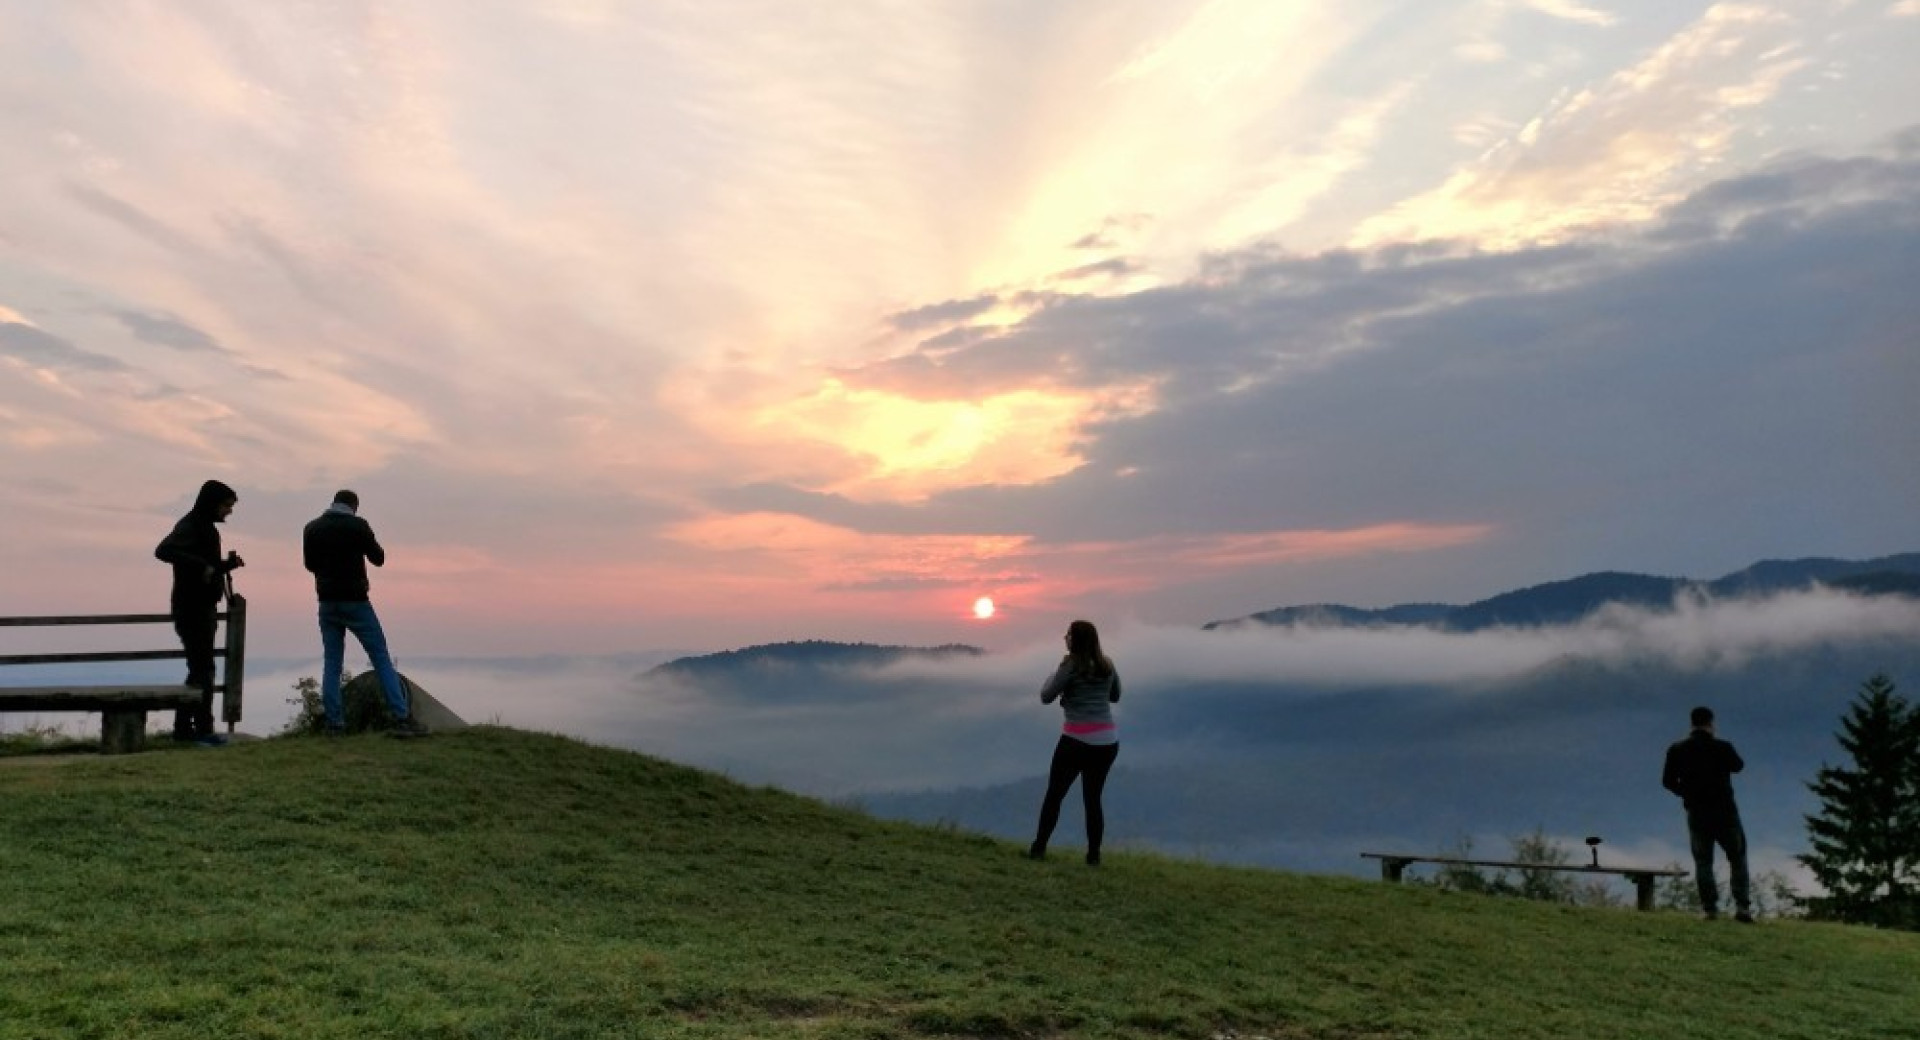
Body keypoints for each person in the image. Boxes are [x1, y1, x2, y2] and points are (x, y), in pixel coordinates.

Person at [302, 490, 427, 737]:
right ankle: (402, 717)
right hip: (356, 602)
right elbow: (378, 558)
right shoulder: (358, 526)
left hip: (327, 602)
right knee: (380, 657)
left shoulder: (312, 528)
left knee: (332, 663)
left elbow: (309, 564)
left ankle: (334, 724)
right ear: (354, 506)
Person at [154, 479, 243, 745]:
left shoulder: (203, 528)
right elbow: (163, 551)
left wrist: (226, 566)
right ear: (212, 503)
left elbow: (205, 567)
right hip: (191, 607)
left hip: (200, 606)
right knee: (202, 669)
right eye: (226, 505)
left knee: (200, 669)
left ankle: (187, 729)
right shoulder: (190, 525)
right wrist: (202, 565)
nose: (229, 511)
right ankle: (199, 729)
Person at [1028, 619, 1123, 866]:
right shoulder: (1107, 665)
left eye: (1068, 635)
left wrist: (1055, 677)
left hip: (1076, 740)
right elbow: (1115, 695)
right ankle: (1093, 856)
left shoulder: (1070, 665)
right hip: (1107, 742)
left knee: (1054, 795)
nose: (1065, 638)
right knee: (1093, 800)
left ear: (1075, 640)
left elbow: (1046, 696)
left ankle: (1038, 849)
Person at [1662, 706, 1752, 922]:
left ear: (1691, 723)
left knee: (1703, 861)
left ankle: (1709, 908)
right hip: (1725, 811)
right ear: (1711, 723)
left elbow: (1667, 781)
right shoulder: (1722, 747)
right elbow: (1738, 766)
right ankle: (1742, 907)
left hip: (1697, 811)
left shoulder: (1677, 749)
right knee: (1737, 857)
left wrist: (1686, 794)